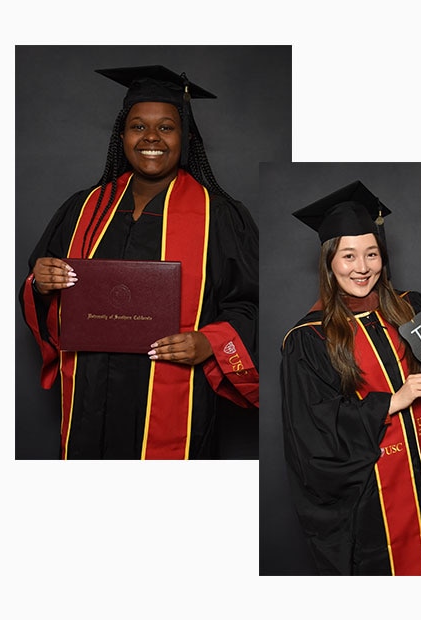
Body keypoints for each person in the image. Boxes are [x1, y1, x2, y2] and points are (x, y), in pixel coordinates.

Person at [20, 65, 259, 460]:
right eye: (137, 127)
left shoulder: (220, 216)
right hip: (90, 395)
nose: (151, 138)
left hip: (176, 400)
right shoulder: (83, 209)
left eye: (166, 127)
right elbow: (40, 288)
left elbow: (249, 302)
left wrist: (208, 342)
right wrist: (41, 283)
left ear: (185, 137)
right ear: (122, 136)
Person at [280, 180, 421, 575]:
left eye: (371, 253)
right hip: (374, 507)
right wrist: (390, 402)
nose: (362, 267)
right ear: (329, 261)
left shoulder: (412, 308)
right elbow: (312, 434)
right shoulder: (309, 338)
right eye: (348, 256)